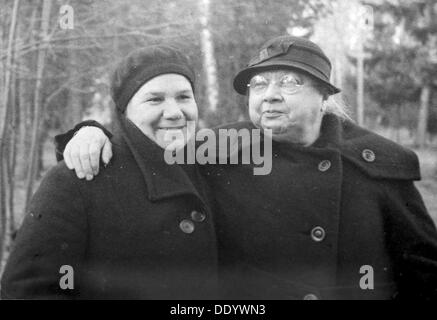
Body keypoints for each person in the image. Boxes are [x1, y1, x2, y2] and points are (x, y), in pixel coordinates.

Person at [41, 36, 437, 299]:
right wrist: (92, 132)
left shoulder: (376, 163)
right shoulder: (224, 147)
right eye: (259, 85)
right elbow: (150, 141)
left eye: (289, 83)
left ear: (325, 97)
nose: (270, 96)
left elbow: (424, 272)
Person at [0, 45, 219, 299]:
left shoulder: (213, 166)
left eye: (183, 97)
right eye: (154, 99)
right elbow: (25, 291)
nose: (174, 112)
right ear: (125, 111)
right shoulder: (78, 179)